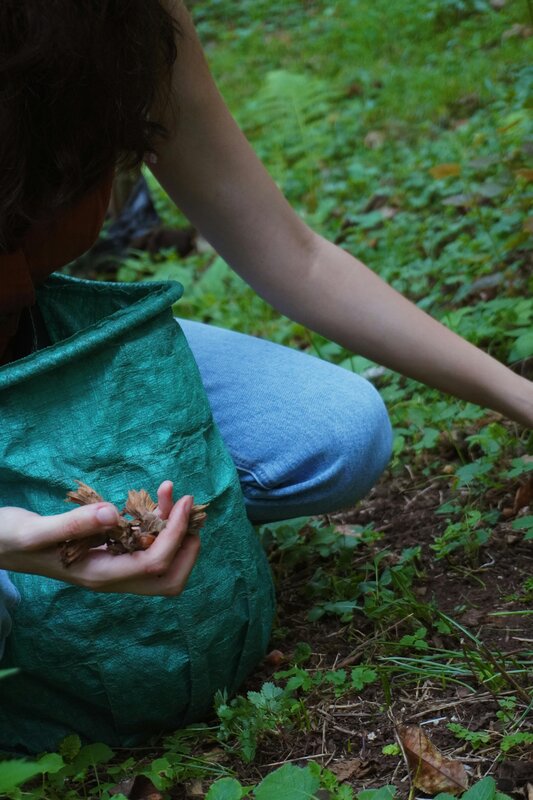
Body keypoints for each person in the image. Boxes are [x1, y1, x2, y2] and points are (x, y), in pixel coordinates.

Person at [0, 0, 532, 636]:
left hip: (38, 348)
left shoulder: (132, 25)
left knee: (333, 430)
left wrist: (522, 398)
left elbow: (296, 258)